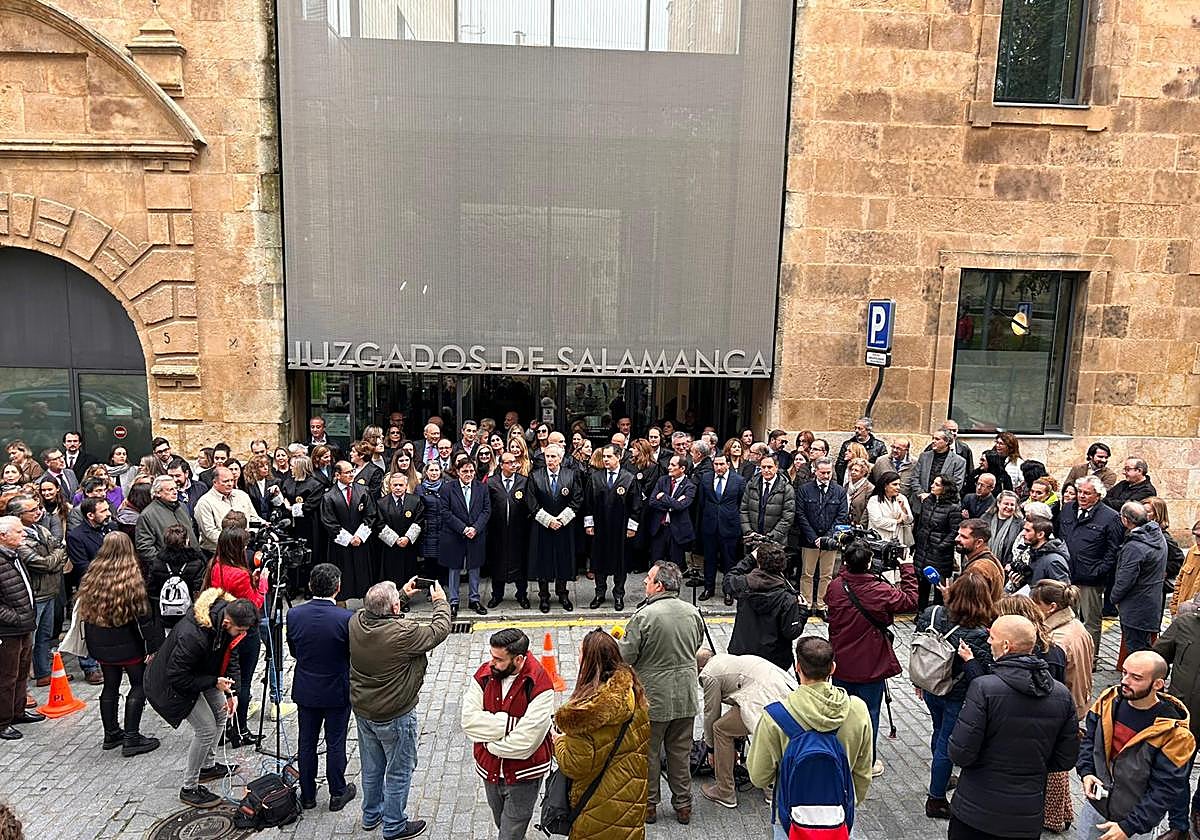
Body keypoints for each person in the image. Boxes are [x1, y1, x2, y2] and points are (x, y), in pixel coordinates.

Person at [946, 614, 1079, 840]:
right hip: (1026, 815)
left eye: (992, 637)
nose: (988, 642)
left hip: (976, 810)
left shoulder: (984, 689)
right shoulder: (1062, 695)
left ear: (1006, 646)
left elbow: (960, 752)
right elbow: (1065, 759)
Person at [350, 578, 451, 840]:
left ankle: (371, 815)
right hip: (395, 714)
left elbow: (378, 611)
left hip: (364, 711)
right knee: (399, 770)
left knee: (372, 768)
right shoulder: (404, 633)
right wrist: (440, 602)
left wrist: (402, 596)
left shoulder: (356, 621)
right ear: (394, 608)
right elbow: (439, 629)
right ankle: (394, 825)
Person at [747, 636, 874, 836]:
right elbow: (863, 770)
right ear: (832, 668)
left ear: (798, 667)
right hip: (838, 816)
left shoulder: (775, 716)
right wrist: (848, 801)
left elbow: (758, 777)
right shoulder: (858, 709)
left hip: (791, 818)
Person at [145, 589, 259, 808]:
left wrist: (231, 693)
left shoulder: (227, 623)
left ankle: (207, 767)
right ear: (227, 622)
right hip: (171, 685)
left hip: (201, 674)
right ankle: (189, 788)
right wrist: (214, 682)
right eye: (241, 630)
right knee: (206, 729)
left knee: (221, 712)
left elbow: (231, 654)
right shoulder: (193, 635)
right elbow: (177, 676)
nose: (242, 634)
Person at [617, 561, 704, 825]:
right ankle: (683, 805)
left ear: (660, 585)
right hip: (685, 696)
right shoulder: (692, 612)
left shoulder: (643, 617)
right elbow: (697, 644)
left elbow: (627, 655)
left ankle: (649, 806)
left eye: (649, 578)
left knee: (650, 754)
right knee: (679, 753)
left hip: (653, 698)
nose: (645, 582)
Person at [1078, 650, 1196, 840]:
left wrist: (1128, 827)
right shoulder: (1108, 701)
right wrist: (1087, 772)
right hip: (1095, 809)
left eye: (1136, 677)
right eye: (1124, 672)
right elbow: (1089, 742)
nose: (1125, 681)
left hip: (1134, 825)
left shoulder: (1175, 734)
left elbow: (1165, 790)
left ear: (1158, 684)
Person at [825, 538, 918, 775]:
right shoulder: (879, 590)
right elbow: (910, 601)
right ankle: (866, 760)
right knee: (869, 713)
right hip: (871, 662)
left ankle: (840, 753)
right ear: (869, 563)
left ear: (844, 561)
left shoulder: (836, 586)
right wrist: (907, 568)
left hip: (841, 661)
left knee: (842, 710)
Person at [553, 629, 651, 840]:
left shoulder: (584, 715)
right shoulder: (632, 690)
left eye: (581, 653)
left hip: (596, 806)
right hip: (631, 794)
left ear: (589, 660)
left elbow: (574, 765)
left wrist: (558, 742)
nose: (578, 657)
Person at [915, 573, 997, 819]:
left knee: (938, 731)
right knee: (947, 744)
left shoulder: (932, 613)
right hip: (957, 695)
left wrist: (918, 680)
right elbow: (981, 674)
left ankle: (941, 775)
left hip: (931, 684)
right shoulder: (980, 634)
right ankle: (936, 799)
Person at [75, 531, 164, 757]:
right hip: (128, 644)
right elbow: (144, 619)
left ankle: (111, 732)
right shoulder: (132, 580)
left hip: (100, 644)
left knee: (110, 685)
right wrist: (153, 647)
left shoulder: (92, 577)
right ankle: (132, 737)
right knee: (139, 684)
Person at [460, 628, 555, 840]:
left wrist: (488, 744)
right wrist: (511, 724)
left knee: (510, 833)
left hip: (524, 776)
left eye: (498, 659)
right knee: (501, 822)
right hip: (491, 771)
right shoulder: (484, 674)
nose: (491, 663)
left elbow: (526, 743)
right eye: (491, 656)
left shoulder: (540, 684)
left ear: (519, 659)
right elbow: (468, 721)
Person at [286, 563, 356, 812]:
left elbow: (294, 651)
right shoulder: (346, 618)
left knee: (306, 742)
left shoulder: (294, 615)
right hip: (336, 688)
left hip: (307, 688)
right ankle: (338, 792)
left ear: (310, 586)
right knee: (336, 741)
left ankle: (307, 795)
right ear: (338, 588)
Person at [697, 650, 796, 809]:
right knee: (747, 729)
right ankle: (773, 789)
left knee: (720, 729)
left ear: (700, 668)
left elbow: (711, 713)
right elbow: (739, 697)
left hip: (763, 698)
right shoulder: (726, 660)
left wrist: (710, 749)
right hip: (782, 690)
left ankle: (725, 791)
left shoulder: (708, 674)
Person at [1060, 475, 1125, 661]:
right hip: (1066, 575)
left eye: (1087, 493)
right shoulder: (1067, 510)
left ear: (1098, 495)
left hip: (1090, 580)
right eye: (1080, 492)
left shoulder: (1110, 517)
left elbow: (1113, 551)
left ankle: (1090, 659)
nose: (1081, 496)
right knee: (1066, 618)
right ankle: (1068, 654)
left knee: (1090, 622)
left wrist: (1098, 571)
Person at [8, 496, 70, 688]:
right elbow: (43, 563)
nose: (38, 512)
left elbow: (60, 547)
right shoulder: (18, 538)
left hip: (50, 591)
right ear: (19, 515)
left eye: (38, 508)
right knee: (29, 642)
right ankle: (22, 685)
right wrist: (56, 557)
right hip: (34, 596)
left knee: (45, 636)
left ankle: (43, 673)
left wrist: (55, 557)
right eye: (32, 510)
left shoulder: (40, 529)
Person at [726, 542, 804, 671]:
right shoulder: (787, 598)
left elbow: (729, 578)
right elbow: (791, 632)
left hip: (742, 654)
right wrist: (803, 612)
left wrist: (749, 558)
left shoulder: (742, 584)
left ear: (759, 563)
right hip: (773, 661)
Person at [583, 446, 642, 611]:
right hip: (600, 528)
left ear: (619, 456)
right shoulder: (595, 477)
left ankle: (618, 595)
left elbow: (636, 506)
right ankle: (599, 594)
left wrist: (632, 527)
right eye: (604, 456)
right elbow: (587, 503)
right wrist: (589, 524)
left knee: (620, 563)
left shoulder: (629, 479)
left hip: (620, 529)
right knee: (598, 561)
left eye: (609, 456)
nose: (606, 460)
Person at [526, 444, 582, 613]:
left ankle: (563, 594)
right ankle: (543, 596)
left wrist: (562, 519)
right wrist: (548, 520)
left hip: (564, 526)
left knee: (563, 560)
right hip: (543, 526)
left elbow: (577, 498)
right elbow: (531, 501)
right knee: (543, 560)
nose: (550, 460)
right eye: (547, 456)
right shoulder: (535, 476)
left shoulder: (571, 475)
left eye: (553, 457)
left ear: (561, 458)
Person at [794, 456, 848, 616]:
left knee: (826, 574)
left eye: (828, 473)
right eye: (822, 473)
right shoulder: (805, 489)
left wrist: (827, 538)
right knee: (807, 574)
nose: (826, 476)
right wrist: (813, 537)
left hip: (829, 541)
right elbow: (800, 514)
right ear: (815, 471)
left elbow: (842, 515)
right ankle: (807, 604)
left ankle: (822, 605)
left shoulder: (838, 491)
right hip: (809, 540)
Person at [1113, 501, 1168, 657]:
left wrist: (1114, 598)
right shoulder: (1157, 537)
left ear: (1125, 520)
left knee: (1136, 650)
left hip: (1135, 605)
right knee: (1144, 646)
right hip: (1151, 602)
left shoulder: (1135, 546)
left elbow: (1125, 579)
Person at [0, 516, 36, 741]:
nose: (24, 535)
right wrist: (14, 618)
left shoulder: (13, 556)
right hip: (8, 630)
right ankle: (3, 721)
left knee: (22, 672)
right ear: (3, 536)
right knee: (7, 676)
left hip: (24, 624)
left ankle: (18, 711)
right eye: (19, 532)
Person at [440, 456, 490, 618]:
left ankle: (474, 599)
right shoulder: (448, 488)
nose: (468, 474)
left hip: (476, 534)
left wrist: (475, 528)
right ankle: (453, 601)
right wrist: (463, 528)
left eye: (471, 471)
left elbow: (486, 510)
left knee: (474, 567)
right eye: (464, 471)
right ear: (458, 472)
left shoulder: (482, 488)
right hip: (455, 534)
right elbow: (445, 512)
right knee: (454, 568)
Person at [320, 461, 377, 603]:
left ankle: (368, 608)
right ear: (337, 475)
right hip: (340, 545)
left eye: (352, 471)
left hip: (361, 543)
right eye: (347, 472)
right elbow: (329, 521)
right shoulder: (329, 496)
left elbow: (371, 515)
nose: (351, 475)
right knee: (342, 577)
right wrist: (348, 539)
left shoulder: (363, 490)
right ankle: (340, 607)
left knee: (364, 576)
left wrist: (359, 536)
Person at [485, 453, 532, 610]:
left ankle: (522, 594)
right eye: (509, 462)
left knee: (520, 563)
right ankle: (497, 595)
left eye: (515, 462)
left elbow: (529, 506)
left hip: (519, 531)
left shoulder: (524, 481)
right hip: (497, 532)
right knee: (497, 563)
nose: (513, 465)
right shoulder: (492, 482)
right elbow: (487, 507)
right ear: (501, 465)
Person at [697, 453, 745, 604]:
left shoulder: (739, 481)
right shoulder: (705, 479)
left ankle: (728, 591)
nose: (718, 467)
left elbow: (741, 504)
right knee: (709, 559)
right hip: (710, 526)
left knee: (728, 561)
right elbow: (702, 502)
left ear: (728, 464)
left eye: (721, 464)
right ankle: (708, 588)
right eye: (716, 464)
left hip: (730, 527)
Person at [914, 476, 962, 613]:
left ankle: (937, 615)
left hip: (940, 553)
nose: (932, 486)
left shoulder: (953, 508)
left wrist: (941, 545)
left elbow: (954, 532)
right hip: (923, 548)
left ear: (944, 488)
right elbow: (920, 523)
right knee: (922, 584)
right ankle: (921, 613)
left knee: (938, 587)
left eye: (936, 484)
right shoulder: (928, 501)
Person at [148, 524, 207, 629]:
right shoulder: (197, 562)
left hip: (165, 614)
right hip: (189, 616)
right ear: (187, 541)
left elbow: (152, 590)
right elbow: (198, 589)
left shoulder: (157, 563)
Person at [134, 476, 197, 571]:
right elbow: (144, 547)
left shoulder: (182, 507)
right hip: (168, 569)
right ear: (158, 493)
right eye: (170, 489)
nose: (175, 492)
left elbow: (192, 533)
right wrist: (164, 565)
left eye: (176, 488)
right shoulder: (147, 515)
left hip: (192, 564)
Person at [193, 466, 261, 552]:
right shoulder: (204, 503)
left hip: (244, 549)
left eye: (232, 480)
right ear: (215, 482)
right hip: (217, 552)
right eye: (225, 481)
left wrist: (264, 525)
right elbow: (210, 533)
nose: (230, 484)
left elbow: (253, 517)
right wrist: (235, 542)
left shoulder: (242, 496)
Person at [646, 454, 696, 569]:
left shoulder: (690, 486)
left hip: (676, 531)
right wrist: (672, 504)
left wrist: (663, 497)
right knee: (656, 565)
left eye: (673, 465)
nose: (669, 467)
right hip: (659, 529)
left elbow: (681, 506)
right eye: (669, 464)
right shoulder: (662, 480)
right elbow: (652, 501)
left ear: (682, 469)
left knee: (675, 567)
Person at [377, 472, 424, 590]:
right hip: (390, 546)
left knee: (408, 572)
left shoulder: (416, 501)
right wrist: (395, 539)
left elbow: (419, 521)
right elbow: (379, 523)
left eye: (401, 485)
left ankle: (406, 598)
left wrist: (407, 538)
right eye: (395, 485)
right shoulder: (381, 503)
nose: (398, 488)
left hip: (408, 546)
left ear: (406, 485)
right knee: (391, 572)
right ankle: (392, 598)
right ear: (390, 486)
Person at [911, 430, 968, 509]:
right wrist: (921, 493)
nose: (933, 441)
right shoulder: (924, 457)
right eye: (933, 438)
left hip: (944, 506)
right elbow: (914, 478)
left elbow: (956, 485)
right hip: (921, 503)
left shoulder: (959, 461)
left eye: (937, 439)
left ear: (947, 442)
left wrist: (934, 495)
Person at [955, 517, 1005, 602]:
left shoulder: (978, 569)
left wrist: (948, 595)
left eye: (963, 537)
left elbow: (970, 605)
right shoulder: (989, 559)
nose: (957, 539)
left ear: (979, 542)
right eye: (958, 534)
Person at [865, 470, 914, 555]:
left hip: (898, 541)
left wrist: (903, 509)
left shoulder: (902, 498)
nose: (898, 487)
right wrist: (897, 521)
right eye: (894, 484)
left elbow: (909, 520)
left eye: (899, 484)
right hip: (879, 541)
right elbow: (878, 521)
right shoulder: (874, 500)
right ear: (885, 485)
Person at [1170, 520, 1200, 615]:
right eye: (1197, 537)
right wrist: (1174, 610)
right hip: (1183, 616)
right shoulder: (1192, 552)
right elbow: (1180, 581)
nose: (1198, 541)